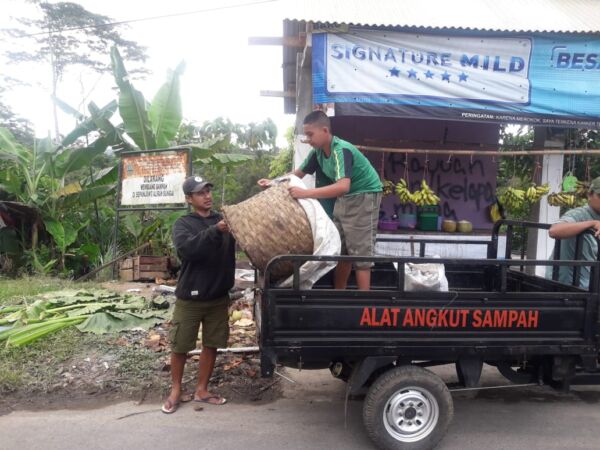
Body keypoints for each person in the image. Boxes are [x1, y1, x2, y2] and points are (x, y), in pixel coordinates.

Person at [258, 110, 383, 290]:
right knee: (341, 249)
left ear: (325, 131)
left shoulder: (341, 150)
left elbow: (343, 186)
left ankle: (365, 304)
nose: (308, 139)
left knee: (360, 254)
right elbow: (297, 174)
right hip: (344, 198)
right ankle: (339, 294)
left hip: (364, 195)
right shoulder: (317, 152)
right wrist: (273, 182)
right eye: (306, 135)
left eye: (310, 134)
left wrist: (306, 193)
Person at [162, 176, 235, 414]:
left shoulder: (224, 220)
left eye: (208, 191)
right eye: (201, 193)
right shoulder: (183, 224)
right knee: (180, 345)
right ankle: (176, 390)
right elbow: (188, 251)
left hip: (218, 296)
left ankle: (202, 390)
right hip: (190, 298)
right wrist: (215, 231)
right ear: (189, 199)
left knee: (212, 344)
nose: (207, 196)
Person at [548, 176, 600, 288]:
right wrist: (592, 223)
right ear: (589, 195)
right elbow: (554, 231)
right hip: (565, 286)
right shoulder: (579, 214)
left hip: (589, 286)